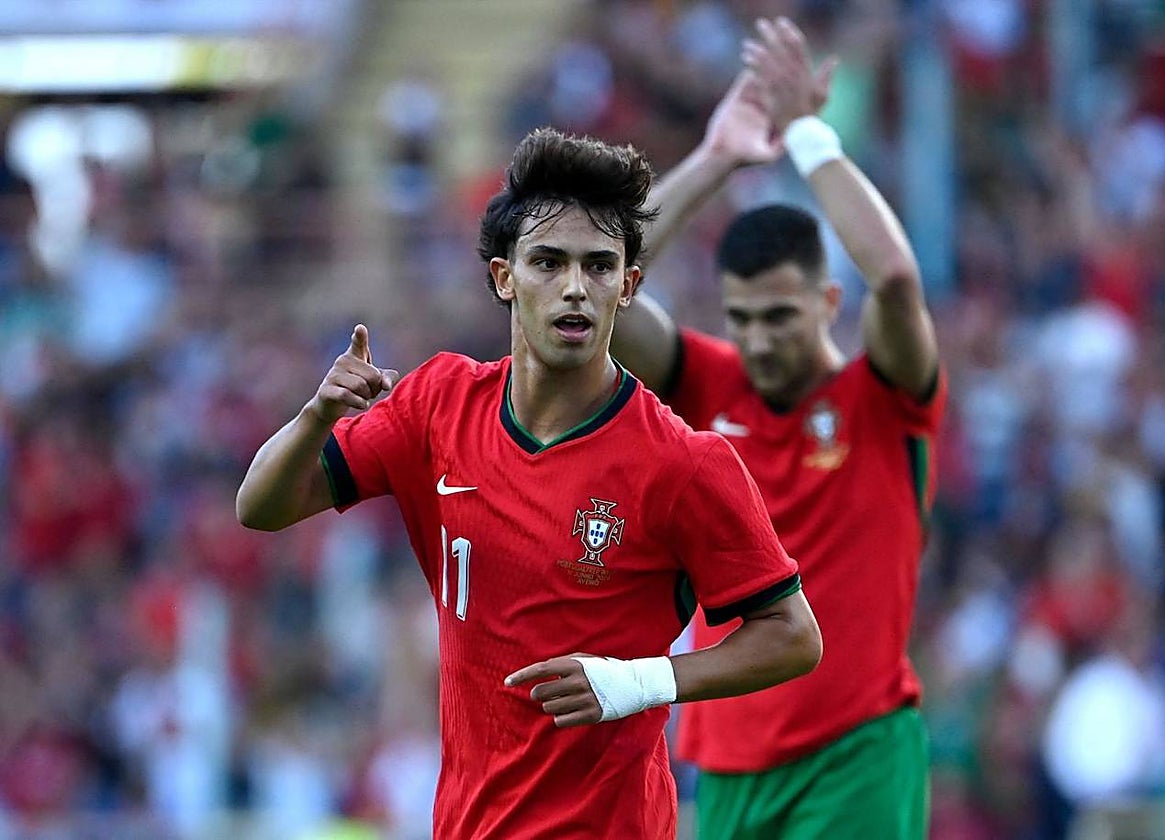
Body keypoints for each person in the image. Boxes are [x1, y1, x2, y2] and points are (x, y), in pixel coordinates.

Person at [236, 126, 822, 839]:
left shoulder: (684, 463)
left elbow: (793, 636)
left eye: (600, 266)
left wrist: (638, 681)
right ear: (503, 277)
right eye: (548, 261)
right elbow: (260, 507)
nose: (575, 286)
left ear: (628, 286)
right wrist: (315, 415)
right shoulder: (437, 405)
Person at [611, 17, 945, 840]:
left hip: (855, 753)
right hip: (724, 764)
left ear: (829, 303)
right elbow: (598, 298)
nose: (758, 339)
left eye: (781, 317)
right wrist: (718, 158)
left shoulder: (885, 394)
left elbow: (897, 277)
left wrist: (804, 131)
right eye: (743, 318)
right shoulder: (710, 382)